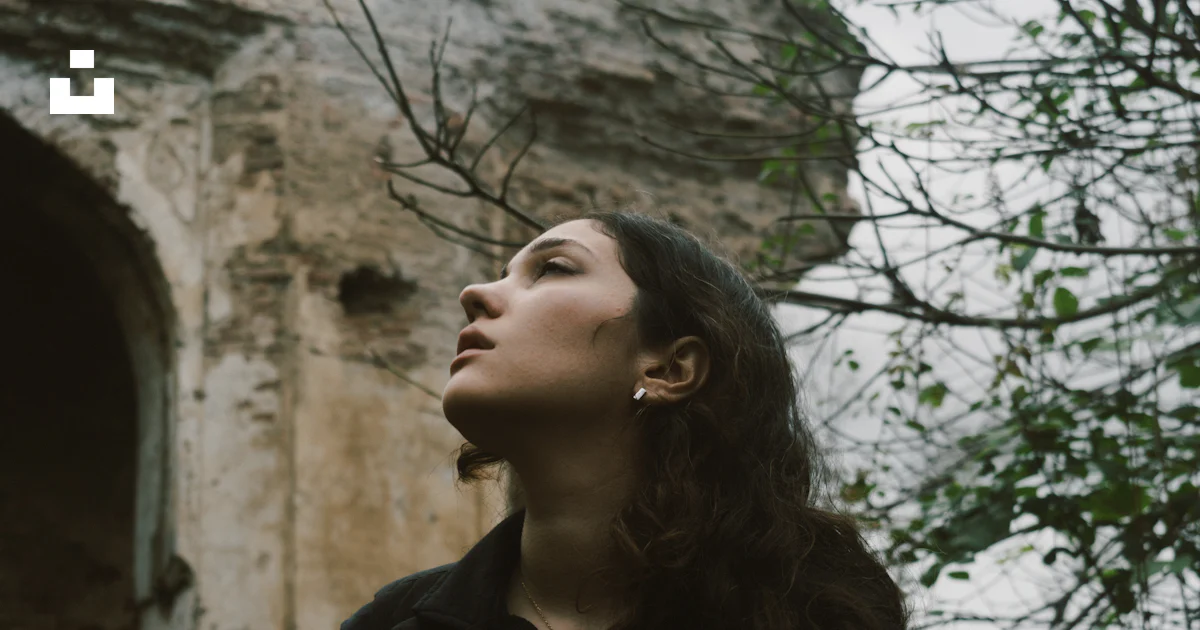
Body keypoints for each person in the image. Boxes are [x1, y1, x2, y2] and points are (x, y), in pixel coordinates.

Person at [342, 209, 910, 630]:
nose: (475, 293)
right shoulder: (390, 622)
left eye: (552, 269)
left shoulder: (819, 610)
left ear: (668, 368)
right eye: (504, 273)